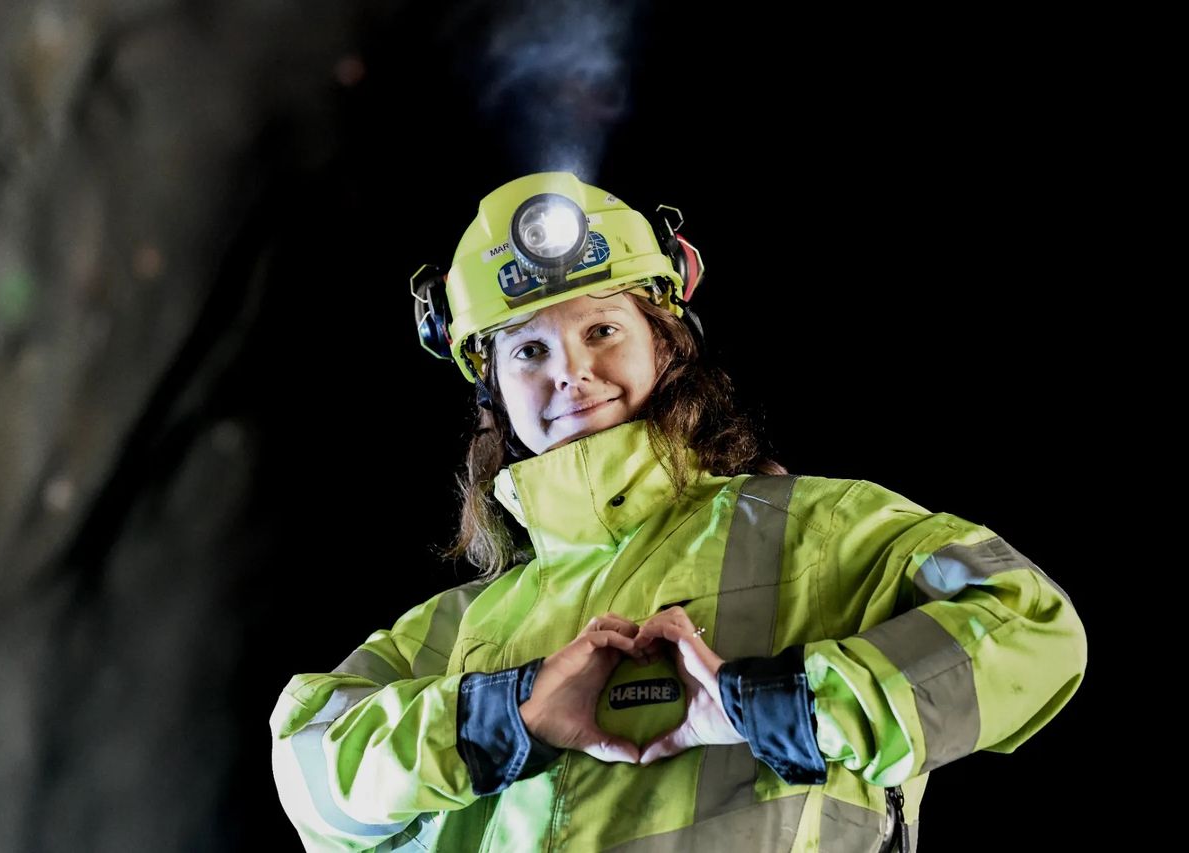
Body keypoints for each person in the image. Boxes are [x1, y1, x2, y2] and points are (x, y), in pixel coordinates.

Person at [270, 172, 1087, 851]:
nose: (571, 372)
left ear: (667, 340)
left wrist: (769, 703)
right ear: (491, 393)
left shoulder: (822, 530)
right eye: (527, 350)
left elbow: (1032, 623)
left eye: (602, 327)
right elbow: (307, 770)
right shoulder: (449, 633)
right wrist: (507, 718)